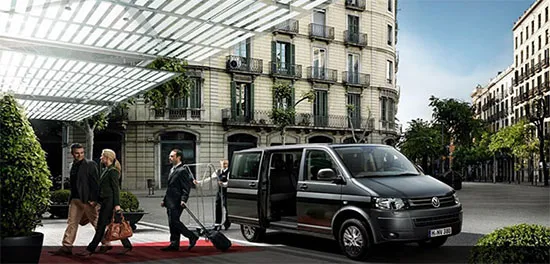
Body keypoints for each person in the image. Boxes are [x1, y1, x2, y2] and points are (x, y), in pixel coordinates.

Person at [49, 143, 107, 256]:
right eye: (77, 153)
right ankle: (67, 246)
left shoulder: (90, 164)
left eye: (81, 153)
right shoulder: (72, 165)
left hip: (87, 199)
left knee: (95, 221)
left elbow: (95, 183)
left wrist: (94, 199)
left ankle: (106, 243)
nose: (79, 155)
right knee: (71, 223)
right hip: (75, 199)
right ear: (72, 154)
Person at [76, 149, 132, 256]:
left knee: (101, 226)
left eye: (102, 156)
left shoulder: (113, 171)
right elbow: (102, 188)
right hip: (105, 202)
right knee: (116, 223)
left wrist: (117, 205)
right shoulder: (106, 170)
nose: (100, 158)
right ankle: (127, 246)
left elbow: (116, 189)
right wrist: (96, 201)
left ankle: (90, 250)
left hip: (110, 202)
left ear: (107, 158)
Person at [160, 149, 199, 252]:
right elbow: (170, 187)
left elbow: (186, 187)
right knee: (171, 223)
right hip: (169, 200)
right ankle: (174, 243)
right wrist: (164, 200)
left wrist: (183, 199)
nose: (170, 158)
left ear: (178, 157)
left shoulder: (182, 170)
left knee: (175, 221)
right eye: (170, 156)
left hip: (177, 201)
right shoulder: (172, 169)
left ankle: (192, 236)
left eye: (172, 156)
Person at [197, 160, 231, 230]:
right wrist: (200, 182)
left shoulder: (229, 172)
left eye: (226, 164)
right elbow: (210, 178)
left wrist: (224, 184)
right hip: (219, 192)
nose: (224, 165)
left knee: (227, 207)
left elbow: (229, 182)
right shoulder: (217, 171)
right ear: (220, 164)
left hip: (226, 192)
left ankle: (227, 222)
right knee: (217, 206)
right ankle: (217, 223)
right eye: (223, 164)